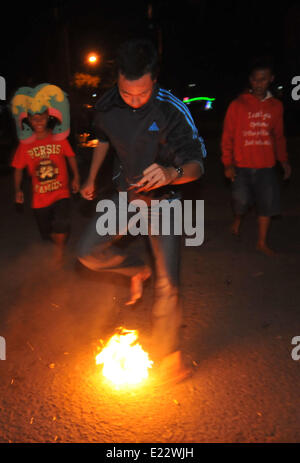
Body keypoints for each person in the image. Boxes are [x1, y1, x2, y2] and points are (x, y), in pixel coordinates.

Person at [78, 38, 206, 383]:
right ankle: (135, 270)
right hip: (124, 196)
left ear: (155, 80)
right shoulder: (106, 105)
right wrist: (91, 176)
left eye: (143, 93)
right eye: (127, 92)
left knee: (168, 281)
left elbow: (197, 164)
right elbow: (104, 138)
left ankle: (170, 357)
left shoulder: (172, 110)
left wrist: (171, 173)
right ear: (118, 78)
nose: (134, 101)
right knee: (87, 252)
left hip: (164, 203)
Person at [221, 61, 291, 256]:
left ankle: (261, 242)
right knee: (241, 201)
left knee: (267, 203)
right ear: (250, 81)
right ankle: (238, 219)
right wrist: (228, 163)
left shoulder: (276, 106)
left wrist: (283, 161)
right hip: (242, 165)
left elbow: (278, 136)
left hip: (266, 165)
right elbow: (228, 135)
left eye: (264, 79)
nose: (259, 83)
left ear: (271, 79)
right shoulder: (238, 105)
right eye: (255, 79)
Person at [11, 83, 80, 264]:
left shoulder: (59, 139)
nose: (38, 122)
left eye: (41, 118)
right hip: (39, 199)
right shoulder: (25, 145)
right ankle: (55, 247)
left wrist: (76, 177)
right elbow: (18, 169)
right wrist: (17, 189)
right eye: (34, 119)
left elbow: (71, 157)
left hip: (60, 192)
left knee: (61, 223)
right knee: (46, 232)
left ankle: (58, 253)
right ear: (29, 121)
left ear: (48, 117)